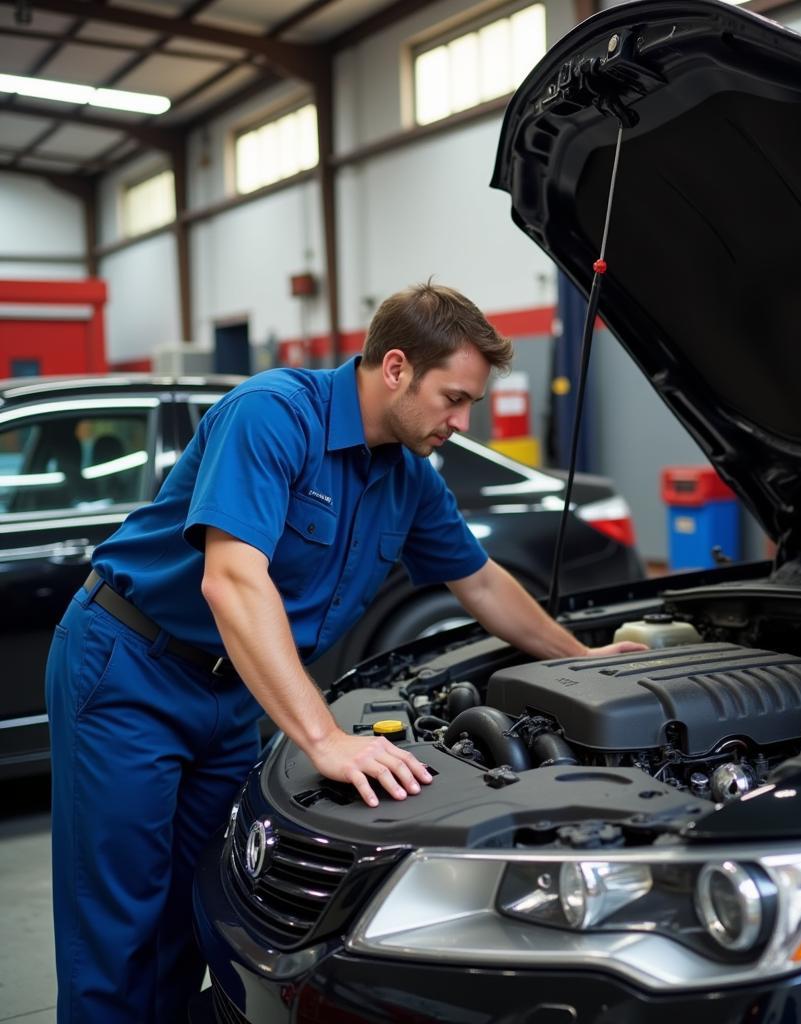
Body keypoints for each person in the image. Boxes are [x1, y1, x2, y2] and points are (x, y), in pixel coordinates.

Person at [45, 281, 645, 1024]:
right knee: (117, 921)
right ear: (395, 367)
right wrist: (323, 738)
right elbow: (233, 582)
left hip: (233, 690)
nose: (461, 423)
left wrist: (581, 659)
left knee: (201, 907)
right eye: (453, 399)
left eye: (471, 406)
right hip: (131, 665)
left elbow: (483, 583)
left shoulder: (409, 478)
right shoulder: (272, 415)